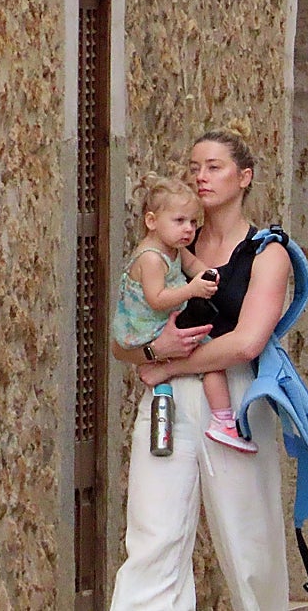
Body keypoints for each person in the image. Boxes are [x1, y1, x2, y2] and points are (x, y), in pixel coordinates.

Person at [109, 120, 291, 610]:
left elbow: (247, 343)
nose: (202, 177)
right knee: (154, 532)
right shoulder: (169, 251)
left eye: (214, 167)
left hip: (232, 399)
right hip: (166, 401)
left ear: (244, 177)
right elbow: (124, 344)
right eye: (195, 168)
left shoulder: (267, 254)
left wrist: (170, 363)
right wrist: (154, 353)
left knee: (248, 540)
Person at [110, 172, 258, 454]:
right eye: (179, 221)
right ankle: (223, 419)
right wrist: (192, 290)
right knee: (211, 357)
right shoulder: (152, 258)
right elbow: (157, 299)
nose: (188, 229)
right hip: (148, 325)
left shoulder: (175, 249)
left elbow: (194, 266)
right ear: (151, 221)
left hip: (165, 321)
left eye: (193, 222)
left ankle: (160, 373)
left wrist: (210, 276)